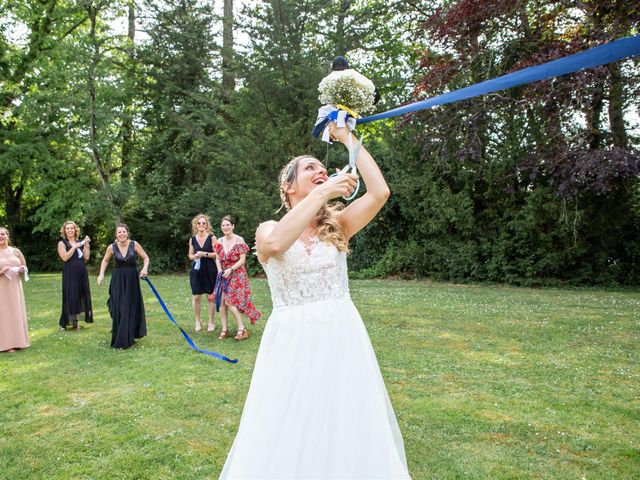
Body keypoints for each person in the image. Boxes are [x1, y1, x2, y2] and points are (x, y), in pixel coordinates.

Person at [219, 124, 411, 478]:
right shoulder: (266, 228)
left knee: (345, 417)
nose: (320, 171)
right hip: (291, 338)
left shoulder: (338, 224)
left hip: (342, 334)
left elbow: (380, 191)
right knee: (287, 419)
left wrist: (345, 137)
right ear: (288, 186)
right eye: (310, 168)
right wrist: (323, 194)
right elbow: (274, 247)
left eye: (322, 170)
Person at [97, 223, 149, 349]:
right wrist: (101, 274)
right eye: (119, 232)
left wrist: (144, 268)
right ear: (116, 234)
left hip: (131, 279)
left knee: (130, 307)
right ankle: (119, 334)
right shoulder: (112, 247)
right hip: (118, 280)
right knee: (119, 307)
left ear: (127, 233)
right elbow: (105, 260)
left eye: (123, 231)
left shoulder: (134, 244)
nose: (121, 234)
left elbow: (146, 257)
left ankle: (128, 338)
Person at [213, 215, 261, 340]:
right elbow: (217, 259)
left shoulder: (239, 240)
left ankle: (242, 328)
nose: (225, 227)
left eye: (227, 225)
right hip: (223, 274)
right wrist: (219, 270)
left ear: (233, 226)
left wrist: (231, 269)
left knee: (230, 302)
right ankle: (224, 330)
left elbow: (242, 260)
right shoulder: (219, 241)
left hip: (237, 273)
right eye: (223, 225)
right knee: (222, 302)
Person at [58, 221, 93, 331]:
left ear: (75, 230)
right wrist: (74, 247)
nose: (70, 230)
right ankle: (64, 323)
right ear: (64, 231)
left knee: (80, 294)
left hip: (81, 271)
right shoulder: (62, 243)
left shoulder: (80, 242)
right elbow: (64, 258)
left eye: (71, 228)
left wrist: (86, 244)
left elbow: (86, 257)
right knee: (70, 295)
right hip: (70, 272)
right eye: (67, 228)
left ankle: (76, 322)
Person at [0, 227, 30, 353]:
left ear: (7, 235)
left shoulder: (16, 251)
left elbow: (24, 266)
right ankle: (5, 344)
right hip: (2, 288)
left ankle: (18, 341)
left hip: (15, 287)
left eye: (2, 234)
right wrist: (1, 271)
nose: (0, 237)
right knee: (4, 314)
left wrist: (23, 270)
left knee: (15, 312)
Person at [188, 214, 218, 333]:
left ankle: (211, 322)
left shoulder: (212, 238)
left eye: (203, 223)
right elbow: (190, 255)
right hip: (196, 269)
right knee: (196, 297)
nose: (201, 225)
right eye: (199, 223)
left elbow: (217, 254)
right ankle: (197, 321)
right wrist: (195, 256)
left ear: (207, 225)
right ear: (195, 225)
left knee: (210, 297)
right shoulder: (192, 239)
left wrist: (204, 254)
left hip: (210, 268)